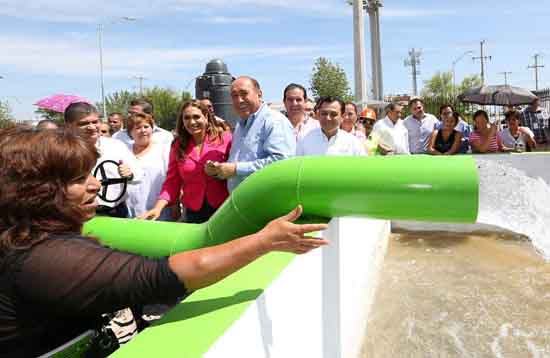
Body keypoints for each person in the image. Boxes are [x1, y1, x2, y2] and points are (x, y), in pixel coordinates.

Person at [0, 126, 328, 357]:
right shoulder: (44, 258)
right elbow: (166, 276)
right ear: (35, 192)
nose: (94, 185)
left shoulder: (26, 238)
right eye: (76, 179)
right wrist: (263, 241)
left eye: (90, 172)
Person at [141, 100, 232, 223]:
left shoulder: (225, 139)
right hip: (193, 212)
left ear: (206, 117)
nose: (192, 122)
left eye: (196, 117)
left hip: (224, 208)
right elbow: (172, 182)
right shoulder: (178, 146)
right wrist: (157, 208)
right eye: (187, 118)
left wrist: (221, 170)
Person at [205, 76, 295, 192]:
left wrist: (236, 169)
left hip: (266, 201)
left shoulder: (274, 121)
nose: (239, 100)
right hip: (244, 201)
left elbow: (281, 162)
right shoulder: (241, 124)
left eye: (244, 93)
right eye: (234, 96)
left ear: (259, 94)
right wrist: (220, 169)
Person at [64, 102, 143, 218]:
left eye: (95, 122)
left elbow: (139, 174)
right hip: (79, 214)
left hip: (117, 212)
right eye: (84, 123)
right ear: (69, 125)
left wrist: (130, 174)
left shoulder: (116, 145)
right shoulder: (63, 152)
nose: (91, 127)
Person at [124, 112, 173, 220]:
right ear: (130, 132)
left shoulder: (163, 150)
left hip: (159, 211)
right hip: (130, 212)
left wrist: (175, 206)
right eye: (137, 128)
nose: (143, 130)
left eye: (146, 126)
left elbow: (172, 180)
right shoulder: (123, 150)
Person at [296, 97, 366, 156]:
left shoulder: (353, 143)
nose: (328, 118)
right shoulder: (304, 139)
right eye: (324, 113)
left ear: (342, 117)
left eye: (333, 114)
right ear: (318, 115)